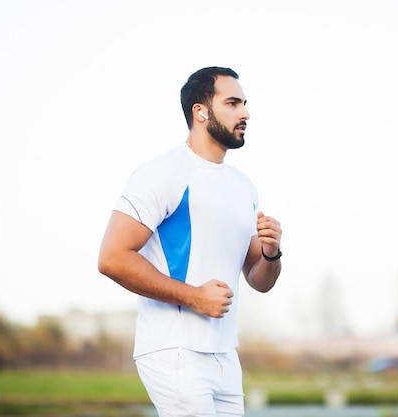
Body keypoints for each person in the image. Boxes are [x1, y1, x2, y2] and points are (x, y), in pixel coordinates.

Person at [97, 66, 283, 417]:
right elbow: (112, 257)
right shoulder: (163, 172)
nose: (245, 113)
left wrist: (272, 254)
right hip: (174, 350)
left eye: (244, 103)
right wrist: (195, 297)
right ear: (201, 111)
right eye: (232, 103)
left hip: (226, 355)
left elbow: (259, 280)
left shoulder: (244, 187)